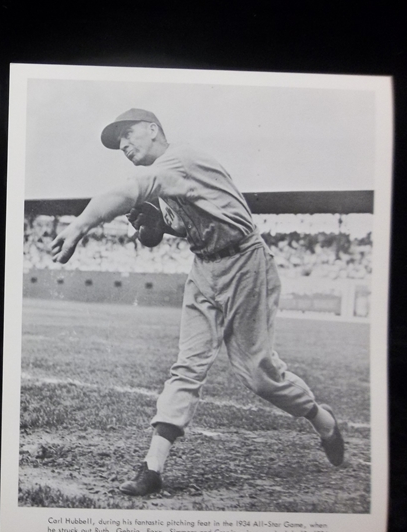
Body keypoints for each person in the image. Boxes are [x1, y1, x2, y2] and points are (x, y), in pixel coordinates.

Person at [51, 109, 344, 497]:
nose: (122, 144)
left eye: (127, 134)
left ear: (153, 130)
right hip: (205, 268)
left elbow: (126, 191)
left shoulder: (181, 159)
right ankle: (152, 468)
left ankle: (322, 421)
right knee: (186, 366)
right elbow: (173, 226)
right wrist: (160, 226)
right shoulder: (167, 178)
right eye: (116, 141)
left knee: (259, 375)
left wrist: (79, 225)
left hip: (245, 262)